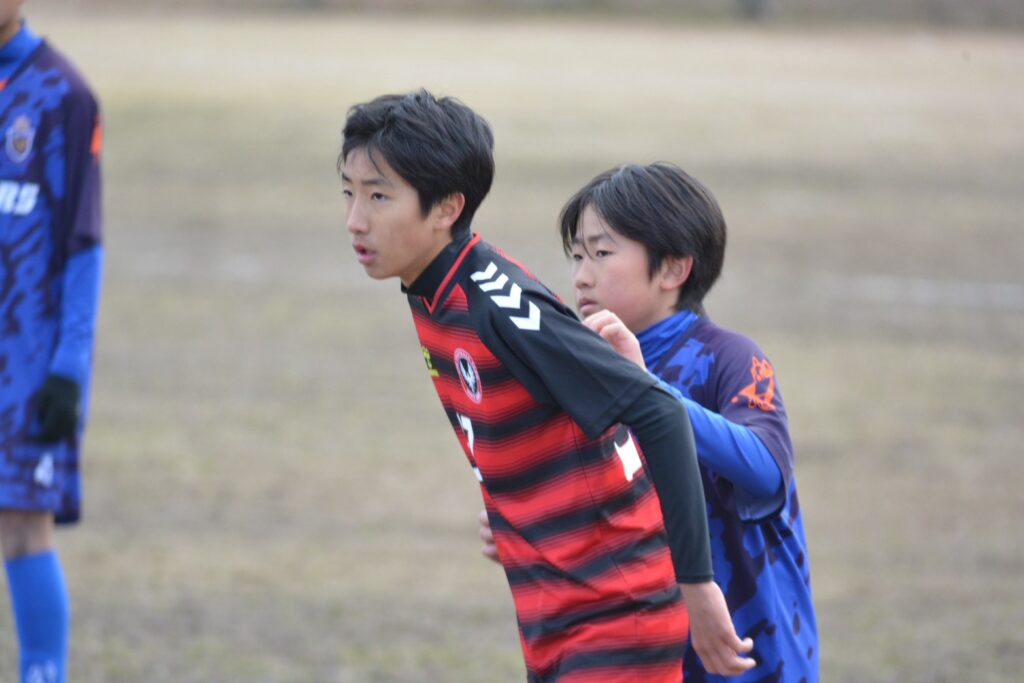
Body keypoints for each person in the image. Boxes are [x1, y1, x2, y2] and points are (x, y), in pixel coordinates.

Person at [341, 90, 754, 681]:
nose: (356, 220)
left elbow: (660, 412)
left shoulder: (499, 303)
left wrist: (698, 586)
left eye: (379, 196)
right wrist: (515, 511)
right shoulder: (430, 291)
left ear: (447, 208)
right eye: (350, 193)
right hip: (554, 607)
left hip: (616, 611)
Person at [481, 162, 818, 681]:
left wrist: (645, 392)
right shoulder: (583, 368)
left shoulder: (728, 359)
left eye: (601, 253)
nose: (581, 275)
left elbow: (766, 470)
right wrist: (527, 521)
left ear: (673, 269)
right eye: (576, 255)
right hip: (644, 653)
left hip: (751, 656)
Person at [0, 3, 104, 682]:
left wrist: (69, 367)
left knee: (21, 528)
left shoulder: (64, 92)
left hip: (25, 366)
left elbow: (83, 245)